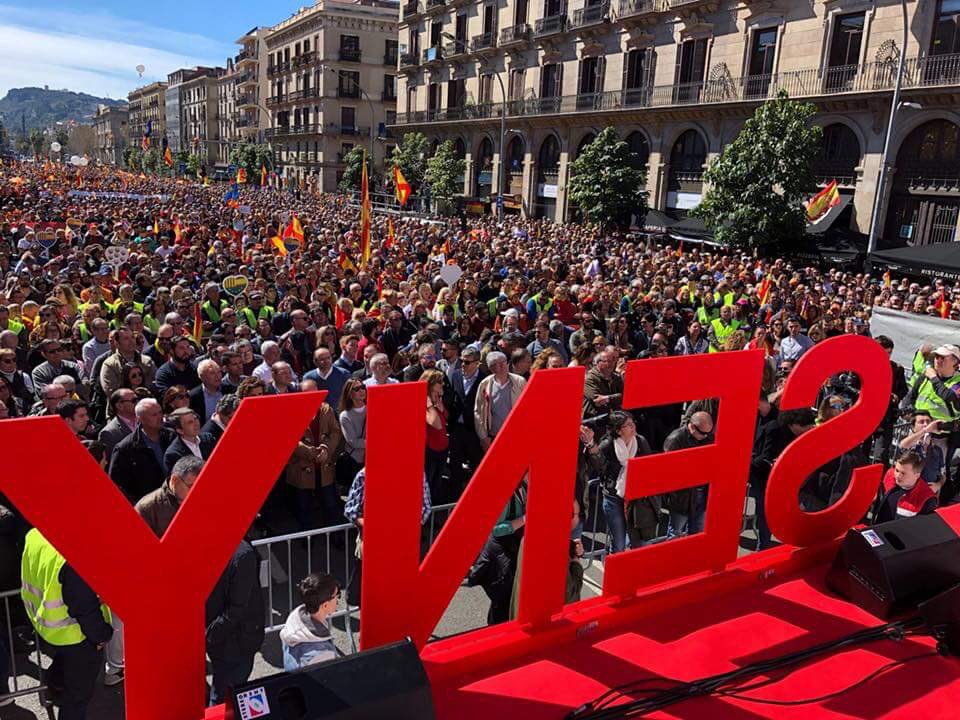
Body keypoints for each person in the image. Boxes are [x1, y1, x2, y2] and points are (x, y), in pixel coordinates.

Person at [21, 527, 112, 720]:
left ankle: (53, 689)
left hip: (44, 624)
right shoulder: (74, 556)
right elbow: (83, 607)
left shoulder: (36, 534)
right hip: (76, 636)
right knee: (76, 699)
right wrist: (102, 636)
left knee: (62, 668)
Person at [749, 407, 817, 549]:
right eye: (805, 428)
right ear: (793, 425)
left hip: (785, 479)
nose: (807, 431)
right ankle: (763, 547)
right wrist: (777, 463)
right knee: (765, 515)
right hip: (763, 478)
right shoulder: (773, 430)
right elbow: (760, 459)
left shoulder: (799, 434)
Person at [598, 412, 655, 552]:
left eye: (632, 423)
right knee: (618, 543)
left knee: (639, 541)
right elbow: (601, 469)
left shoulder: (640, 442)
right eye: (628, 425)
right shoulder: (607, 445)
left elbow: (648, 466)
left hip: (635, 498)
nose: (633, 426)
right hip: (613, 498)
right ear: (618, 430)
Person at [109, 398, 175, 503]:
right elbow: (119, 486)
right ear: (140, 419)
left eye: (160, 412)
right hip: (149, 506)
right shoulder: (125, 449)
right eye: (154, 415)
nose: (160, 417)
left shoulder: (171, 436)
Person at [662, 411, 716, 539]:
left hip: (702, 494)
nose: (706, 436)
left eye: (709, 432)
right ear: (692, 426)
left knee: (697, 533)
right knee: (676, 533)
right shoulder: (675, 440)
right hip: (681, 496)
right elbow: (668, 470)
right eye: (703, 433)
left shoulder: (708, 438)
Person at [280, 573, 342, 671]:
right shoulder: (322, 655)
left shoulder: (295, 618)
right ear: (325, 605)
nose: (338, 599)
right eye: (337, 595)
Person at [474, 351, 526, 452]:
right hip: (494, 436)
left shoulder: (520, 381)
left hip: (517, 435)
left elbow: (529, 407)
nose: (501, 366)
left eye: (503, 362)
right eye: (496, 364)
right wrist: (483, 437)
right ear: (491, 368)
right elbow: (478, 412)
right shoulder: (484, 384)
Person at [875, 451, 938, 523]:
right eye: (897, 470)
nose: (897, 476)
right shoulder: (890, 475)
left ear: (917, 475)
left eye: (903, 473)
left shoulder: (927, 499)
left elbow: (922, 528)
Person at [163, 408, 216, 474]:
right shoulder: (173, 454)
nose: (196, 424)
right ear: (180, 430)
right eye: (190, 422)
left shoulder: (209, 439)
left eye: (195, 418)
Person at [582, 348, 624, 421]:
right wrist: (616, 397)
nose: (611, 364)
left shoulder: (616, 377)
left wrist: (608, 398)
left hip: (615, 416)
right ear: (597, 363)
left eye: (612, 361)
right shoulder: (590, 378)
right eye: (607, 361)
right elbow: (597, 400)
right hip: (596, 418)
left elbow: (624, 396)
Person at [98, 389, 138, 455]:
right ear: (119, 406)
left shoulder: (145, 420)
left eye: (138, 399)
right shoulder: (108, 433)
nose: (138, 403)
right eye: (133, 400)